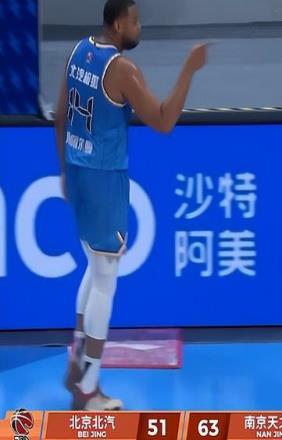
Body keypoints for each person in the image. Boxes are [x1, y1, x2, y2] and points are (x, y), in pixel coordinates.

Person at [54, 0, 207, 410]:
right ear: (119, 24)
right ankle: (88, 390)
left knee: (94, 266)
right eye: (136, 21)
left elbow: (60, 115)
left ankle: (77, 360)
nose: (140, 27)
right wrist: (189, 70)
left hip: (78, 170)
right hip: (105, 178)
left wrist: (64, 170)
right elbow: (164, 120)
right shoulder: (122, 69)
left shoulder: (78, 51)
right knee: (106, 279)